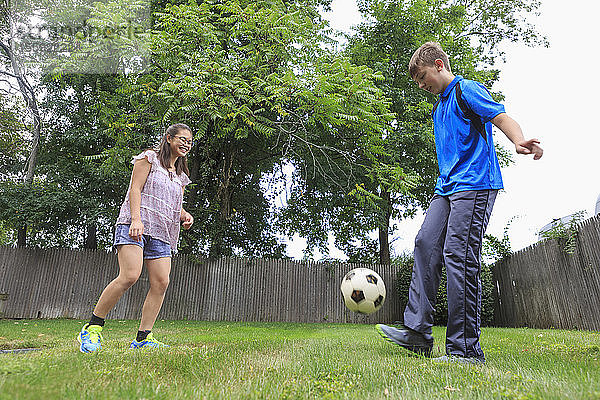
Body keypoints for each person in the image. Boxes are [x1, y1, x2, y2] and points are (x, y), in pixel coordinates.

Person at [376, 42, 543, 364]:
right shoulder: (439, 106)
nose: (422, 86)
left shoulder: (466, 90)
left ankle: (465, 349)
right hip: (447, 187)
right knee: (425, 243)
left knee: (459, 255)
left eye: (423, 77)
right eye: (418, 83)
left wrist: (519, 141)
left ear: (439, 65)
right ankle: (417, 334)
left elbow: (500, 116)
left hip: (475, 184)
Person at [77, 123, 195, 353]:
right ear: (169, 138)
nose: (186, 144)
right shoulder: (148, 158)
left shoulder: (181, 176)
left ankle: (143, 338)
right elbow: (135, 189)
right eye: (182, 139)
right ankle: (92, 328)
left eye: (190, 142)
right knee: (129, 275)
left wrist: (185, 215)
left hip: (162, 232)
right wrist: (136, 219)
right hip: (135, 225)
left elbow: (173, 206)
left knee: (161, 282)